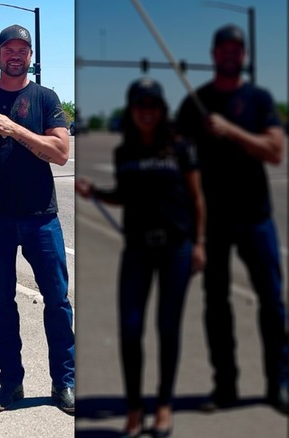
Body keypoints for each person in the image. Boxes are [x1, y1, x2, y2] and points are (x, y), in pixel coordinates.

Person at [76, 78, 206, 437]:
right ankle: (135, 409)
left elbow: (197, 199)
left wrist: (199, 244)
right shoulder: (125, 152)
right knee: (130, 331)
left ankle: (163, 404)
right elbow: (124, 196)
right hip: (136, 250)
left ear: (161, 109)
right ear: (132, 110)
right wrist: (96, 192)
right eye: (140, 104)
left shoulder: (180, 147)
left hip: (176, 249)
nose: (146, 110)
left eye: (152, 104)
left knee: (167, 330)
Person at [0, 24, 75, 414]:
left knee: (57, 301)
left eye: (22, 50)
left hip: (41, 217)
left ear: (30, 56)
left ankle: (65, 382)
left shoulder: (45, 98)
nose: (15, 55)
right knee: (1, 302)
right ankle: (11, 382)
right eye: (8, 49)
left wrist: (15, 129)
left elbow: (60, 153)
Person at [176, 24, 289, 415]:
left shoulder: (257, 99)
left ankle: (280, 384)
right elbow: (176, 159)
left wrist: (231, 131)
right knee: (216, 305)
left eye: (235, 49)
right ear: (214, 54)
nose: (229, 54)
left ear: (242, 56)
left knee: (273, 302)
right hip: (214, 223)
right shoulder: (196, 102)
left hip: (257, 218)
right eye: (223, 48)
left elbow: (275, 151)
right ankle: (225, 386)